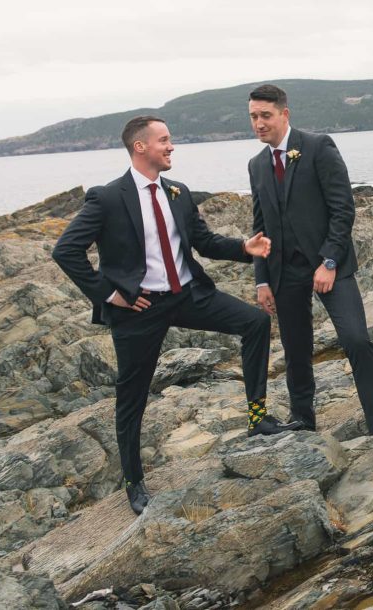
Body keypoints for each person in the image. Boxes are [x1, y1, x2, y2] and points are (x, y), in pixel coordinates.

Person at [52, 116, 299, 515]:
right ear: (140, 147)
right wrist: (111, 295)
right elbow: (65, 251)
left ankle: (258, 418)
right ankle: (133, 481)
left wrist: (243, 247)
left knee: (255, 323)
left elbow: (203, 242)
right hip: (139, 309)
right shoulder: (107, 198)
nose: (171, 147)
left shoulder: (178, 192)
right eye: (164, 141)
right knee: (132, 397)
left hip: (187, 295)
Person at [246, 85, 373, 471]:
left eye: (265, 115)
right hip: (284, 272)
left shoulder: (318, 147)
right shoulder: (256, 165)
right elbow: (259, 228)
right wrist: (262, 280)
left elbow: (343, 208)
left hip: (329, 266)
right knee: (296, 348)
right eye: (253, 116)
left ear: (284, 114)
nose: (258, 123)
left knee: (356, 340)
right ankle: (304, 420)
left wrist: (330, 261)